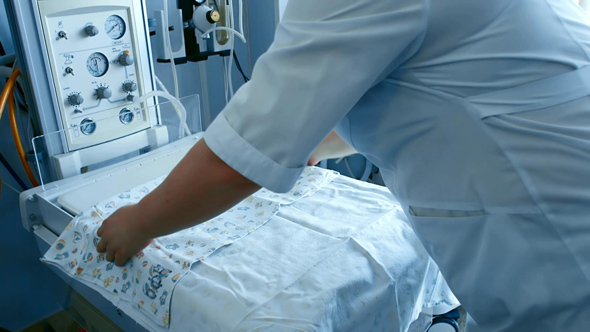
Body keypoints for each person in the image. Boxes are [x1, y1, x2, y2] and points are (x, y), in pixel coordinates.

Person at [97, 0, 590, 330]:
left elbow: (235, 162)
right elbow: (428, 85)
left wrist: (138, 224)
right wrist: (308, 142)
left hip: (561, 253)